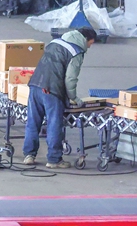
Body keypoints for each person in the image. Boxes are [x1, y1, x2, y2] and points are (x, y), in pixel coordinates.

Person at [22, 27, 98, 169]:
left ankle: (29, 155)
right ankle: (54, 159)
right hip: (51, 90)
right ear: (85, 39)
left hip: (35, 84)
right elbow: (70, 78)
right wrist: (73, 97)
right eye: (90, 43)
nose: (89, 46)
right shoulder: (76, 52)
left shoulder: (55, 42)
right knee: (54, 124)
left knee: (33, 122)